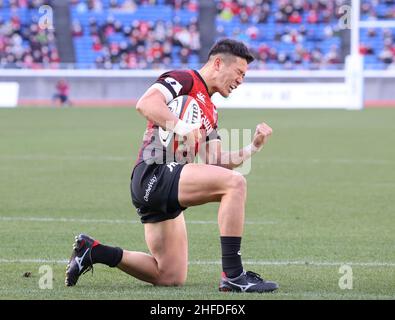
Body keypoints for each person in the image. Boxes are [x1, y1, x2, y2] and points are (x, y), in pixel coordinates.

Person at [65, 38, 278, 293]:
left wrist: (253, 147)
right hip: (154, 171)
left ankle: (93, 251)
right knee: (236, 184)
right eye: (240, 72)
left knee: (169, 275)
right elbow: (145, 103)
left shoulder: (210, 109)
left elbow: (217, 161)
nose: (241, 80)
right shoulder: (184, 79)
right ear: (219, 63)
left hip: (163, 183)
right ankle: (233, 274)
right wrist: (181, 126)